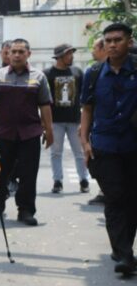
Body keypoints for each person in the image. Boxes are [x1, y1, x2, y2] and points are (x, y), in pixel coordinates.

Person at [80, 22, 137, 274]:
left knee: (132, 199)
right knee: (114, 198)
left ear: (129, 42)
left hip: (133, 145)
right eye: (108, 41)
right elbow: (87, 109)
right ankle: (124, 255)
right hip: (103, 146)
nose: (112, 45)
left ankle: (122, 247)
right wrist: (84, 143)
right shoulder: (93, 74)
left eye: (118, 39)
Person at [0, 38, 54, 226]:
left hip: (30, 133)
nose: (16, 55)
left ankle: (25, 210)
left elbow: (45, 105)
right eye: (13, 52)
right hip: (3, 133)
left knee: (28, 174)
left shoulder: (39, 77)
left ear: (28, 54)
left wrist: (49, 130)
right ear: (7, 54)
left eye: (21, 52)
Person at [44, 44, 88, 194]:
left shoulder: (77, 72)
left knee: (79, 152)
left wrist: (84, 119)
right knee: (56, 152)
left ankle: (84, 180)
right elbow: (44, 100)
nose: (72, 56)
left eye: (71, 54)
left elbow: (84, 96)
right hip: (55, 121)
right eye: (69, 54)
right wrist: (45, 124)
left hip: (75, 119)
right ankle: (57, 181)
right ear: (60, 57)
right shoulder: (48, 74)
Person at [87, 36, 108, 206]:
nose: (92, 51)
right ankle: (105, 191)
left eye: (94, 48)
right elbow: (87, 105)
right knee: (95, 163)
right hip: (98, 129)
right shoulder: (94, 71)